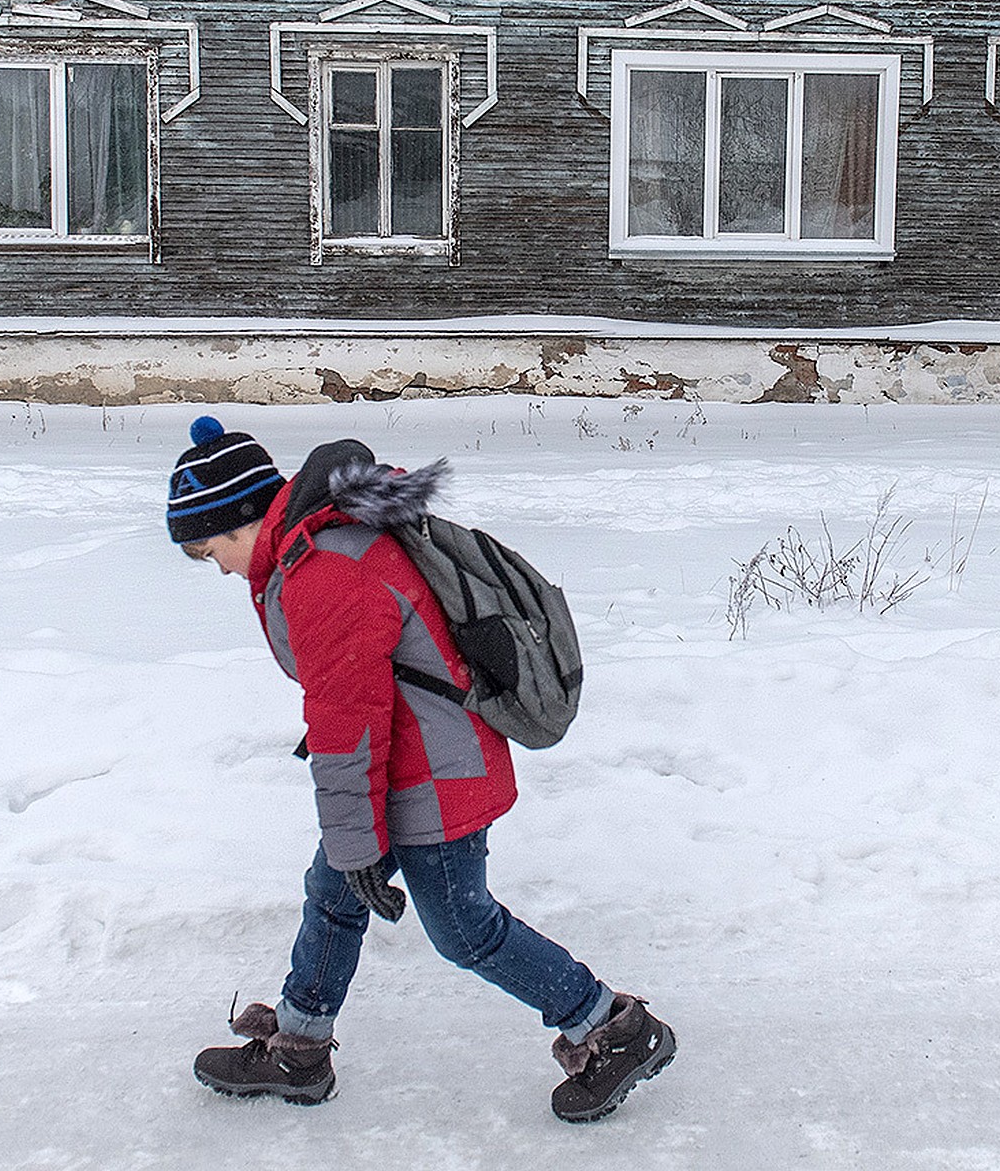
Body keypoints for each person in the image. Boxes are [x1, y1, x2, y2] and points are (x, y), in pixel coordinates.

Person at [166, 416, 675, 1122]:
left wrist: (359, 842)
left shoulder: (323, 571)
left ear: (245, 517)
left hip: (433, 777)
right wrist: (353, 847)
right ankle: (299, 1046)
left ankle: (612, 1027)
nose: (214, 565)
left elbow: (348, 725)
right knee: (335, 892)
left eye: (208, 547)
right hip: (417, 764)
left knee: (465, 929)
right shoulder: (314, 550)